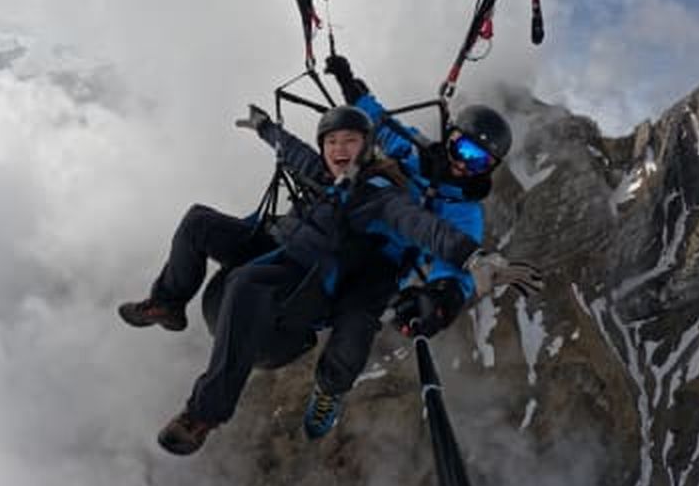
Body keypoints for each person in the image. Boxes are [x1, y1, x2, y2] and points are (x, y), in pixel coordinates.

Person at [119, 104, 540, 455]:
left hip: (334, 265)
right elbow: (306, 153)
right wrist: (269, 128)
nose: (465, 163)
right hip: (288, 241)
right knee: (198, 223)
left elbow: (424, 227)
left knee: (320, 312)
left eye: (480, 160)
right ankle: (168, 302)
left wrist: (470, 262)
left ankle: (210, 412)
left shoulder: (384, 196)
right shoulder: (357, 166)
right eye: (333, 143)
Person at [323, 54, 522, 337]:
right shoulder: (416, 151)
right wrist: (349, 83)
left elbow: (458, 263)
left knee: (349, 330)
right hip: (353, 219)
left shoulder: (465, 210)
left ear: (490, 169)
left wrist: (443, 296)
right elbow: (382, 124)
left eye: (479, 161)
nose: (464, 164)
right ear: (450, 136)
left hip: (386, 263)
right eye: (462, 149)